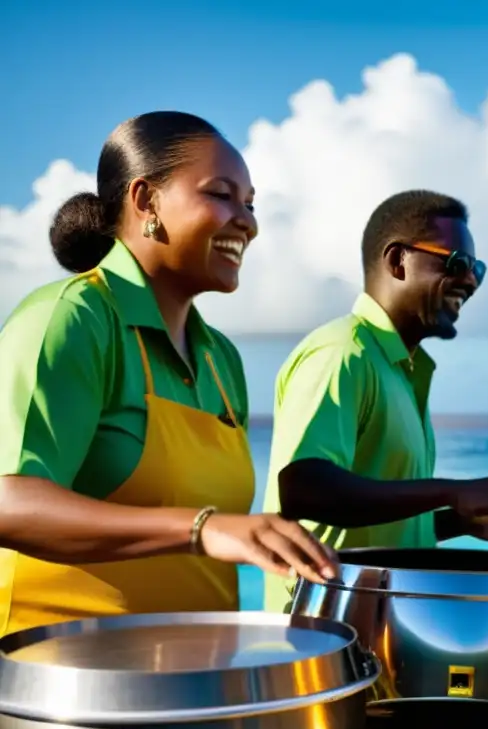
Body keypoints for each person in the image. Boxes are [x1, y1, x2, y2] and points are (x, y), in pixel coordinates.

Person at [0, 111, 336, 637]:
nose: (247, 221)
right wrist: (201, 528)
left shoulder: (221, 360)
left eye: (250, 204)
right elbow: (9, 503)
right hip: (57, 681)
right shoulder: (72, 319)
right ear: (145, 201)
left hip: (191, 682)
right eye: (222, 195)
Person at [262, 189, 488, 729]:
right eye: (456, 264)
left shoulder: (402, 370)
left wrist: (454, 520)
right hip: (340, 666)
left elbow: (369, 521)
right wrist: (452, 489)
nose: (470, 281)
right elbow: (304, 489)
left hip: (399, 661)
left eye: (477, 268)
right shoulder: (341, 355)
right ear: (398, 261)